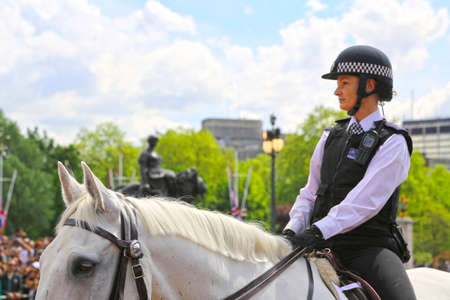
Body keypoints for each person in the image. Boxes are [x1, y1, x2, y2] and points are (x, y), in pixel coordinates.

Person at [282, 45, 416, 299]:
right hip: (318, 244)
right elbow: (310, 193)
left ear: (369, 86)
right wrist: (292, 229)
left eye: (344, 82)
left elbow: (365, 203)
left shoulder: (393, 141)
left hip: (366, 249)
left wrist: (318, 231)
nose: (336, 90)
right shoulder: (330, 135)